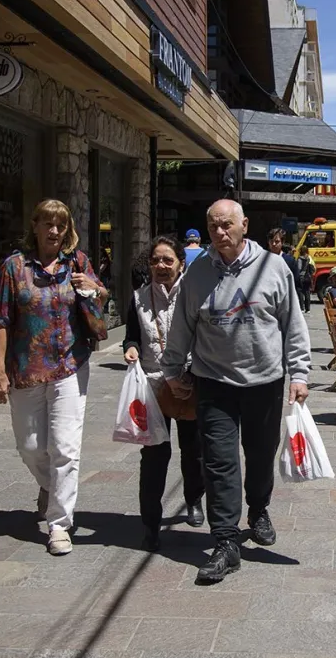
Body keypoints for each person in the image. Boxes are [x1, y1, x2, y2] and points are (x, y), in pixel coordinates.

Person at [161, 199, 311, 583]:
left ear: (244, 224)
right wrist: (172, 368)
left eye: (227, 225)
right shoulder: (196, 274)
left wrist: (300, 373)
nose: (220, 233)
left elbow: (293, 323)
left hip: (265, 381)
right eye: (213, 227)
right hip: (214, 382)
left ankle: (258, 508)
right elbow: (182, 324)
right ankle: (225, 541)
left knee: (260, 457)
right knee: (219, 461)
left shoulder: (274, 268)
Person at [0, 199, 107, 556]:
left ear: (67, 229)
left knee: (65, 448)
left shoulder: (79, 262)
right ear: (35, 226)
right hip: (25, 368)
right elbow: (0, 319)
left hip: (70, 365)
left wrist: (94, 287)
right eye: (47, 224)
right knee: (29, 446)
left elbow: (103, 296)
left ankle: (59, 524)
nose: (53, 231)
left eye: (60, 225)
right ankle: (50, 485)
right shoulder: (15, 267)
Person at [123, 236, 205, 551]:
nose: (161, 266)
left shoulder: (193, 295)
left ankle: (194, 499)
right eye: (156, 260)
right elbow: (131, 336)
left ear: (180, 264)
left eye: (167, 260)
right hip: (152, 386)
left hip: (187, 381)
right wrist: (130, 349)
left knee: (193, 450)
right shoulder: (138, 298)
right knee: (154, 456)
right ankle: (151, 524)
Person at [295, 245, 315, 313]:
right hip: (308, 277)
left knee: (300, 292)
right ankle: (308, 309)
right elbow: (313, 267)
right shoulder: (309, 258)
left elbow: (299, 268)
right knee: (307, 293)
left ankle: (302, 308)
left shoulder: (300, 259)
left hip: (302, 277)